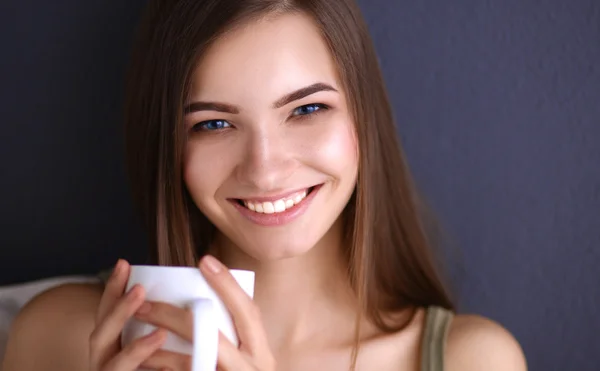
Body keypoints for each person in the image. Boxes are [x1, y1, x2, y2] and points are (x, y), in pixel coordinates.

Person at [2, 1, 527, 370]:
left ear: (364, 118)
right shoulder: (59, 337)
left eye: (307, 109)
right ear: (167, 143)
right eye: (213, 123)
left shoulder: (471, 361)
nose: (266, 169)